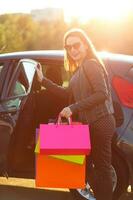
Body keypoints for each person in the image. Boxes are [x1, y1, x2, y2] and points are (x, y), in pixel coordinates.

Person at [36, 28, 116, 200]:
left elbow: (102, 94)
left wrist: (73, 108)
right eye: (68, 47)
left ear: (85, 45)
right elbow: (66, 94)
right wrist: (43, 81)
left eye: (76, 45)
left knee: (101, 169)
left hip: (101, 121)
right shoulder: (79, 70)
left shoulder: (91, 64)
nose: (72, 50)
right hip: (93, 123)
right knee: (90, 168)